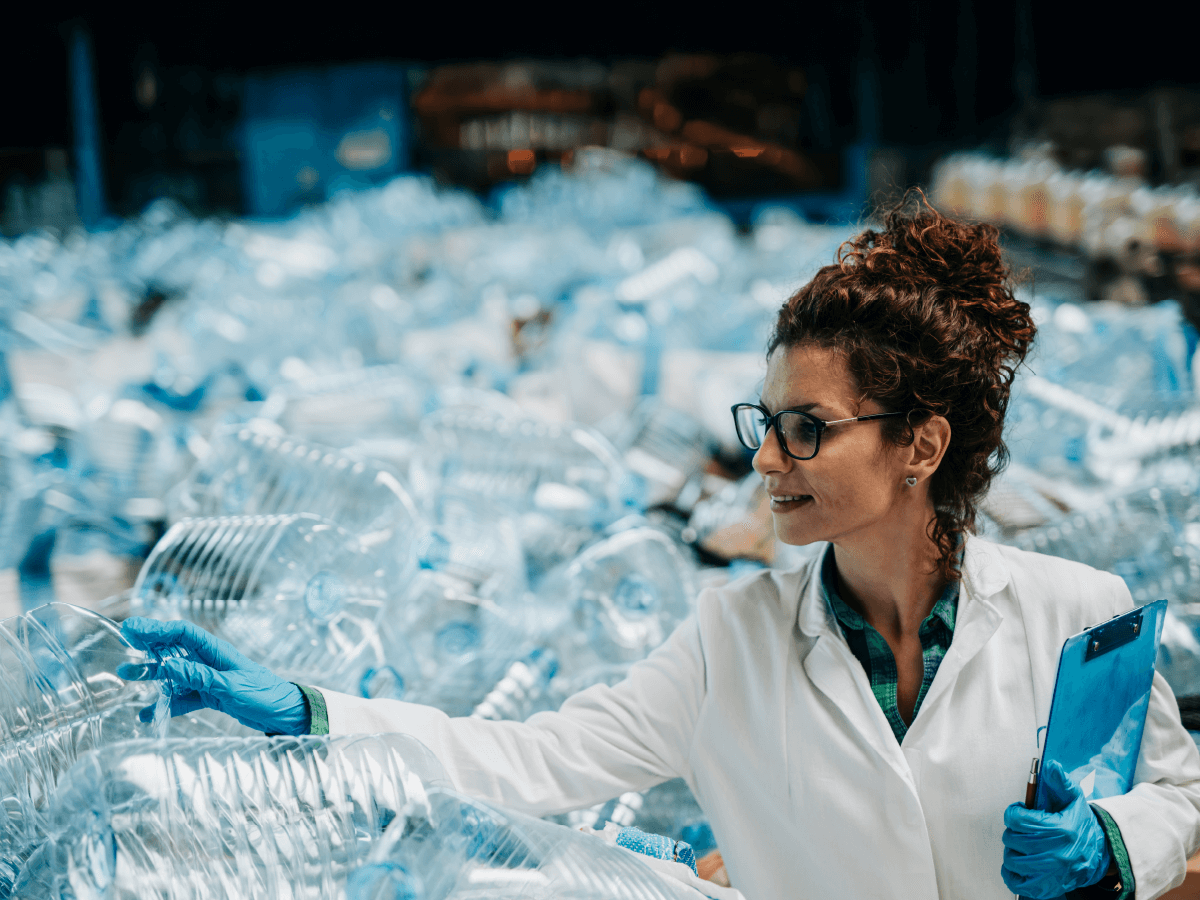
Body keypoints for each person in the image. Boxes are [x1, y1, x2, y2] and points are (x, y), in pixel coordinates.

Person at [121, 197, 1200, 900]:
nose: (766, 462)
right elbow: (530, 760)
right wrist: (315, 715)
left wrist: (1112, 845)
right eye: (764, 422)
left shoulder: (1078, 609)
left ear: (921, 444)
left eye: (807, 429)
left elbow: (1179, 793)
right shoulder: (728, 640)